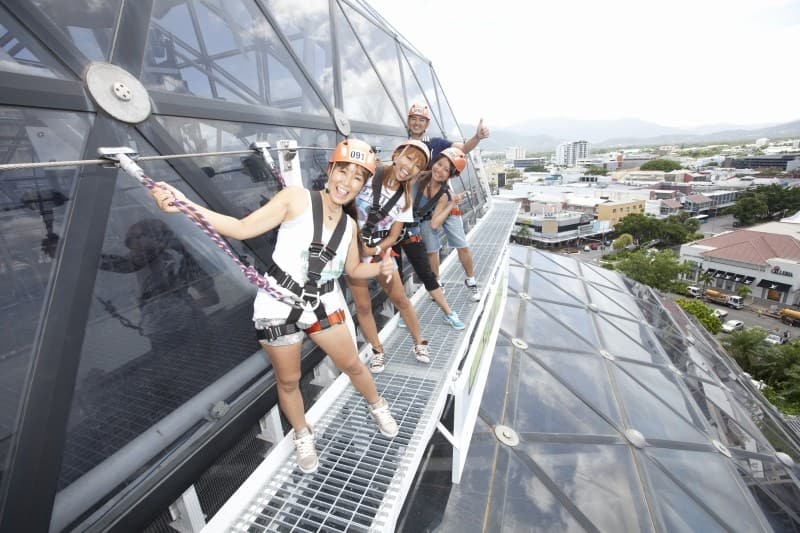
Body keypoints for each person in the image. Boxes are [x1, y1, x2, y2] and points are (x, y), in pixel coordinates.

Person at [149, 139, 399, 475]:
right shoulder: (296, 199)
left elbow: (353, 270)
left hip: (320, 302)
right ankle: (302, 433)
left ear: (363, 184)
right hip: (278, 305)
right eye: (344, 171)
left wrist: (380, 269)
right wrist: (183, 204)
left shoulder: (349, 225)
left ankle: (376, 404)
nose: (347, 182)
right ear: (331, 170)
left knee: (353, 363)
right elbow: (241, 228)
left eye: (357, 177)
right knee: (289, 380)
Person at [347, 140, 432, 374]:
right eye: (408, 158)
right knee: (363, 306)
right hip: (351, 253)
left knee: (401, 299)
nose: (410, 166)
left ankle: (419, 342)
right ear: (397, 154)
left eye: (417, 165)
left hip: (377, 253)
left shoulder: (405, 199)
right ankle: (377, 351)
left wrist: (373, 250)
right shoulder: (369, 174)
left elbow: (394, 236)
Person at [406, 103, 490, 301]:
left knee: (461, 243)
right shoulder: (405, 149)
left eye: (421, 120)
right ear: (409, 122)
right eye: (414, 119)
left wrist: (476, 137)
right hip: (424, 205)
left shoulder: (436, 144)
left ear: (427, 124)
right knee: (432, 249)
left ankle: (471, 280)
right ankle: (437, 285)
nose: (417, 123)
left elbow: (462, 150)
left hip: (444, 199)